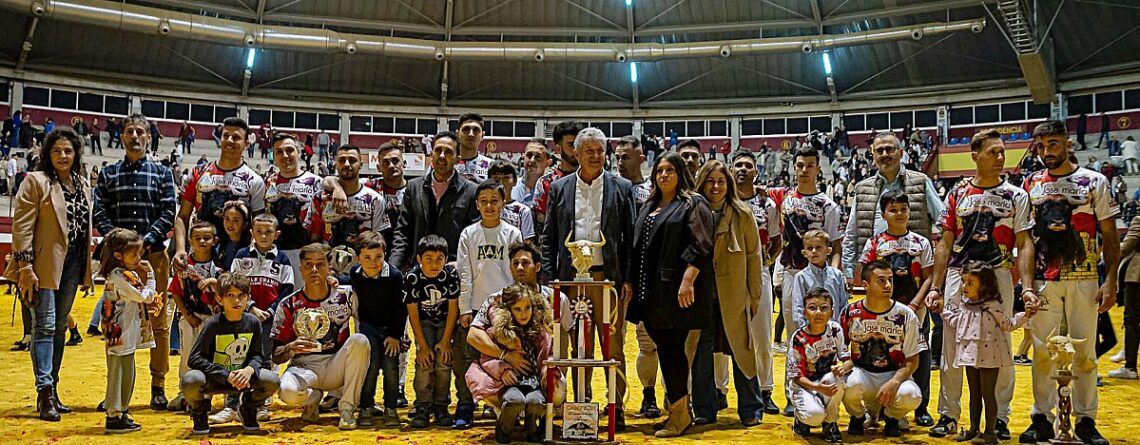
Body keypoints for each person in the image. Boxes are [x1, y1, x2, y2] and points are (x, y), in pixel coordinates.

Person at [1017, 120, 1116, 445]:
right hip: (1045, 280)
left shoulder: (1094, 181)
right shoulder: (1031, 183)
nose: (1046, 152)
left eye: (1053, 145)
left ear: (1067, 143)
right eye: (1041, 146)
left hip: (1085, 278)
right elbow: (1027, 241)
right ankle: (1042, 417)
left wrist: (1111, 279)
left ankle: (1086, 419)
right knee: (1043, 351)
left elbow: (1110, 235)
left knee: (1085, 352)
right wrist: (1027, 284)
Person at [541, 127, 637, 428]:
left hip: (606, 280)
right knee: (574, 345)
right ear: (576, 153)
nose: (596, 156)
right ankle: (579, 403)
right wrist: (548, 282)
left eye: (600, 151)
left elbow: (630, 237)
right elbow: (549, 238)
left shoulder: (622, 187)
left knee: (614, 346)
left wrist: (628, 279)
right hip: (569, 282)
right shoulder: (559, 188)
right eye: (589, 151)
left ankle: (615, 405)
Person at [91, 114, 179, 410]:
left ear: (148, 137)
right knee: (115, 321)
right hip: (116, 261)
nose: (135, 136)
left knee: (158, 321)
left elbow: (169, 211)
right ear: (122, 137)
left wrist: (140, 247)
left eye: (140, 131)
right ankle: (115, 390)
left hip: (152, 257)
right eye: (129, 131)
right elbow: (99, 212)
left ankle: (158, 385)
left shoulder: (163, 172)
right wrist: (119, 243)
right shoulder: (108, 173)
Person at [8, 128, 93, 422]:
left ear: (76, 154)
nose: (62, 155)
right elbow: (22, 227)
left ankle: (52, 388)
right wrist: (25, 267)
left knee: (58, 327)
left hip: (72, 264)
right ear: (48, 153)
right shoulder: (36, 181)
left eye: (68, 151)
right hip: (42, 264)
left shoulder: (82, 184)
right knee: (43, 326)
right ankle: (44, 391)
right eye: (56, 150)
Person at [627, 152, 714, 438]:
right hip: (649, 293)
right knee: (665, 349)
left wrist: (688, 280)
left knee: (673, 351)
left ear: (680, 174)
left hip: (675, 294)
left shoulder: (693, 202)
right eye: (660, 170)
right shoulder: (648, 205)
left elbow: (701, 245)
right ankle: (676, 411)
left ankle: (680, 415)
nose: (663, 175)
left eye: (670, 170)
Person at [689, 160, 765, 427]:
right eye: (710, 181)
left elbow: (755, 258)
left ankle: (751, 407)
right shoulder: (691, 212)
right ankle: (704, 408)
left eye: (721, 181)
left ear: (729, 184)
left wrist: (754, 296)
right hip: (700, 297)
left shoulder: (743, 214)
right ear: (701, 184)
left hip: (734, 296)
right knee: (700, 352)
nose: (716, 187)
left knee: (742, 350)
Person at [770, 147, 844, 414]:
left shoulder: (828, 204)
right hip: (791, 273)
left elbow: (836, 245)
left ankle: (824, 390)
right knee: (795, 336)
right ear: (794, 168)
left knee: (824, 334)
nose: (804, 170)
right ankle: (794, 394)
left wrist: (833, 276)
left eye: (809, 165)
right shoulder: (784, 197)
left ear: (817, 169)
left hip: (821, 278)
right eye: (800, 165)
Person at [272, 243, 370, 430]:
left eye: (320, 264)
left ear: (329, 267)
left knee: (361, 340)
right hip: (304, 366)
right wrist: (290, 347)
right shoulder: (288, 305)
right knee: (287, 392)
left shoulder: (346, 295)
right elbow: (276, 355)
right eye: (308, 265)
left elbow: (367, 323)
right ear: (300, 270)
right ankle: (312, 397)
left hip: (337, 365)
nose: (314, 270)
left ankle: (347, 408)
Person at [857, 190, 935, 426]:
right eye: (893, 209)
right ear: (884, 214)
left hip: (915, 309)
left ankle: (921, 408)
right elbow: (865, 273)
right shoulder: (875, 243)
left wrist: (914, 305)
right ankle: (882, 405)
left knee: (920, 354)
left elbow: (928, 277)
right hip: (883, 311)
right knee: (885, 352)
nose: (899, 214)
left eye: (903, 209)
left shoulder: (921, 242)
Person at [942, 261, 1036, 445]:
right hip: (970, 355)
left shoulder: (992, 305)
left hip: (990, 356)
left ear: (984, 285)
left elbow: (1007, 325)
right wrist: (942, 312)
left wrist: (1025, 315)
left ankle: (990, 432)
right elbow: (958, 322)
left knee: (988, 394)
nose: (964, 287)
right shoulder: (965, 304)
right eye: (963, 281)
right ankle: (973, 428)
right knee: (974, 394)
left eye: (970, 283)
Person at [842, 131, 942, 290]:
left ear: (901, 153)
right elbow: (851, 234)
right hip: (875, 277)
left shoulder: (920, 182)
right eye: (879, 151)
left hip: (913, 277)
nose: (884, 154)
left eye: (889, 149)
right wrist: (849, 271)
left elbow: (944, 222)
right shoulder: (862, 189)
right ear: (873, 155)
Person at [182, 273, 280, 435]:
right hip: (216, 378)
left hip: (243, 378)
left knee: (272, 380)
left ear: (248, 298)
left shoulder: (253, 322)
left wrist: (249, 370)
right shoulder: (213, 324)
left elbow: (257, 355)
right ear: (219, 299)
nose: (236, 301)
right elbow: (195, 358)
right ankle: (199, 413)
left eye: (241, 296)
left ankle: (248, 408)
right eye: (230, 296)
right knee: (191, 380)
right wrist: (225, 374)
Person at [840, 259, 925, 438]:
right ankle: (857, 416)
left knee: (912, 395)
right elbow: (840, 349)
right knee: (847, 384)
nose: (888, 285)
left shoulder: (905, 314)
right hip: (862, 373)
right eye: (881, 280)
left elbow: (913, 359)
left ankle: (891, 416)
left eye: (890, 280)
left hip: (893, 374)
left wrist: (894, 382)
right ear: (865, 285)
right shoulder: (850, 312)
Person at [465, 284, 554, 444]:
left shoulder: (540, 333)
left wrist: (547, 368)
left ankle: (531, 426)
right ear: (509, 310)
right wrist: (503, 369)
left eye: (527, 308)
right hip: (509, 383)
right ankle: (504, 427)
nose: (523, 313)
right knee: (514, 401)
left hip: (534, 383)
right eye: (517, 309)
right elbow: (486, 360)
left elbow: (548, 355)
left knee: (536, 402)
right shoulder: (498, 333)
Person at [730, 149, 781, 414]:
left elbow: (777, 240)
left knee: (762, 333)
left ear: (756, 172)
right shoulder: (723, 200)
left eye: (748, 165)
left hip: (758, 272)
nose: (742, 169)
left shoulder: (768, 204)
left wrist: (765, 264)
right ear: (731, 170)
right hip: (728, 275)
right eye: (738, 165)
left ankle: (765, 389)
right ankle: (720, 389)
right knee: (723, 335)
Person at [615, 135, 661, 417]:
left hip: (647, 276)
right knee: (614, 341)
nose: (620, 162)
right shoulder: (611, 187)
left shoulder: (655, 190)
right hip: (618, 275)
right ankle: (616, 402)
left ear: (642, 159)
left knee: (647, 341)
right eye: (617, 157)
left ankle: (649, 394)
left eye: (626, 157)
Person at [389, 131, 480, 270]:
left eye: (448, 152)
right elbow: (402, 231)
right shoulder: (413, 187)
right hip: (417, 270)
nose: (442, 156)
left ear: (457, 159)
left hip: (453, 270)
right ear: (432, 155)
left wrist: (462, 263)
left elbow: (474, 237)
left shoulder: (472, 191)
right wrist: (393, 267)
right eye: (438, 150)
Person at [98, 228, 158, 434]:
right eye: (134, 254)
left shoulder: (124, 274)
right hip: (118, 330)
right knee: (118, 371)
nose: (138, 258)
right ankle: (114, 414)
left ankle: (121, 410)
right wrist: (151, 276)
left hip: (124, 328)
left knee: (127, 369)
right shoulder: (119, 276)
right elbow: (146, 296)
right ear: (118, 255)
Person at [348, 231, 407, 427]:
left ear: (385, 255)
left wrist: (395, 335)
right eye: (367, 258)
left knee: (391, 367)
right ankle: (366, 406)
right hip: (368, 327)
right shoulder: (355, 274)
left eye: (378, 257)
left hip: (391, 329)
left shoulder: (395, 276)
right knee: (370, 366)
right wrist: (332, 279)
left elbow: (401, 307)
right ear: (358, 258)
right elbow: (344, 280)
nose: (373, 263)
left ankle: (391, 407)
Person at [403, 235, 461, 429]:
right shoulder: (412, 278)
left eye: (439, 259)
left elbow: (453, 309)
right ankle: (422, 406)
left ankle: (441, 405)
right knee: (424, 364)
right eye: (428, 259)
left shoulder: (451, 275)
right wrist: (422, 346)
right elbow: (412, 313)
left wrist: (446, 341)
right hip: (424, 323)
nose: (434, 264)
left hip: (445, 322)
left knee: (444, 363)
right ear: (419, 259)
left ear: (446, 259)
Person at [166, 221, 222, 413]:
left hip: (213, 320)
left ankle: (206, 396)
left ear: (215, 240)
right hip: (191, 317)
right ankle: (185, 393)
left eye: (207, 238)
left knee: (211, 357)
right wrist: (186, 315)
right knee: (187, 356)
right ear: (190, 241)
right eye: (197, 238)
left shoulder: (220, 265)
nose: (202, 242)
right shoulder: (183, 266)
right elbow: (175, 292)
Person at [264, 133, 323, 289]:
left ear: (298, 152)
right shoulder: (269, 181)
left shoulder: (316, 182)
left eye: (289, 150)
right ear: (274, 156)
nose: (285, 156)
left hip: (306, 252)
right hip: (274, 253)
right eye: (279, 152)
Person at [787, 288, 846, 443]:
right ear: (805, 313)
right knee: (814, 417)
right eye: (812, 308)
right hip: (804, 384)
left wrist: (843, 367)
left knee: (839, 379)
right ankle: (801, 418)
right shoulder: (798, 338)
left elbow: (847, 358)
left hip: (826, 379)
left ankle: (830, 422)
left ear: (832, 312)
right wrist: (817, 388)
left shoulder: (835, 330)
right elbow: (797, 377)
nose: (818, 312)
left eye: (824, 308)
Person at [305, 145, 390, 250]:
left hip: (363, 264)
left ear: (360, 165)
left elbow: (379, 240)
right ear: (336, 164)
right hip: (329, 262)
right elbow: (314, 237)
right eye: (342, 160)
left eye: (352, 160)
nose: (347, 164)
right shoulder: (320, 197)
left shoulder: (375, 200)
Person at [789, 230, 849, 329]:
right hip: (811, 333)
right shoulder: (800, 277)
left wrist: (840, 330)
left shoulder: (837, 275)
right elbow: (798, 309)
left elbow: (843, 305)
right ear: (804, 253)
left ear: (828, 251)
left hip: (834, 331)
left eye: (818, 247)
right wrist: (806, 331)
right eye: (809, 248)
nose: (813, 251)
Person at [533, 121, 584, 232]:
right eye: (571, 145)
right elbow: (540, 224)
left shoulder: (594, 179)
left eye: (579, 145)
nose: (576, 150)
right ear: (558, 149)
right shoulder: (546, 182)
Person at [1113, 213, 1140, 379]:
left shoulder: (1138, 220)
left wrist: (1111, 249)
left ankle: (1130, 366)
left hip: (1137, 276)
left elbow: (1126, 247)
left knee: (1131, 320)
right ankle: (1126, 351)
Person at [488, 160, 536, 241]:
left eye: (506, 178)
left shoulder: (523, 211)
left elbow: (527, 241)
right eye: (496, 179)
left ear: (514, 181)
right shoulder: (483, 208)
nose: (501, 183)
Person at [455, 113, 493, 183]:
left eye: (476, 130)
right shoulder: (445, 163)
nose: (471, 134)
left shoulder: (491, 166)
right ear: (457, 134)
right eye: (466, 129)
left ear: (482, 135)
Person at [513, 139, 549, 208]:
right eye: (529, 155)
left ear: (548, 163)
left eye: (538, 157)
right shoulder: (510, 186)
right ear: (523, 157)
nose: (532, 160)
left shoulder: (551, 191)